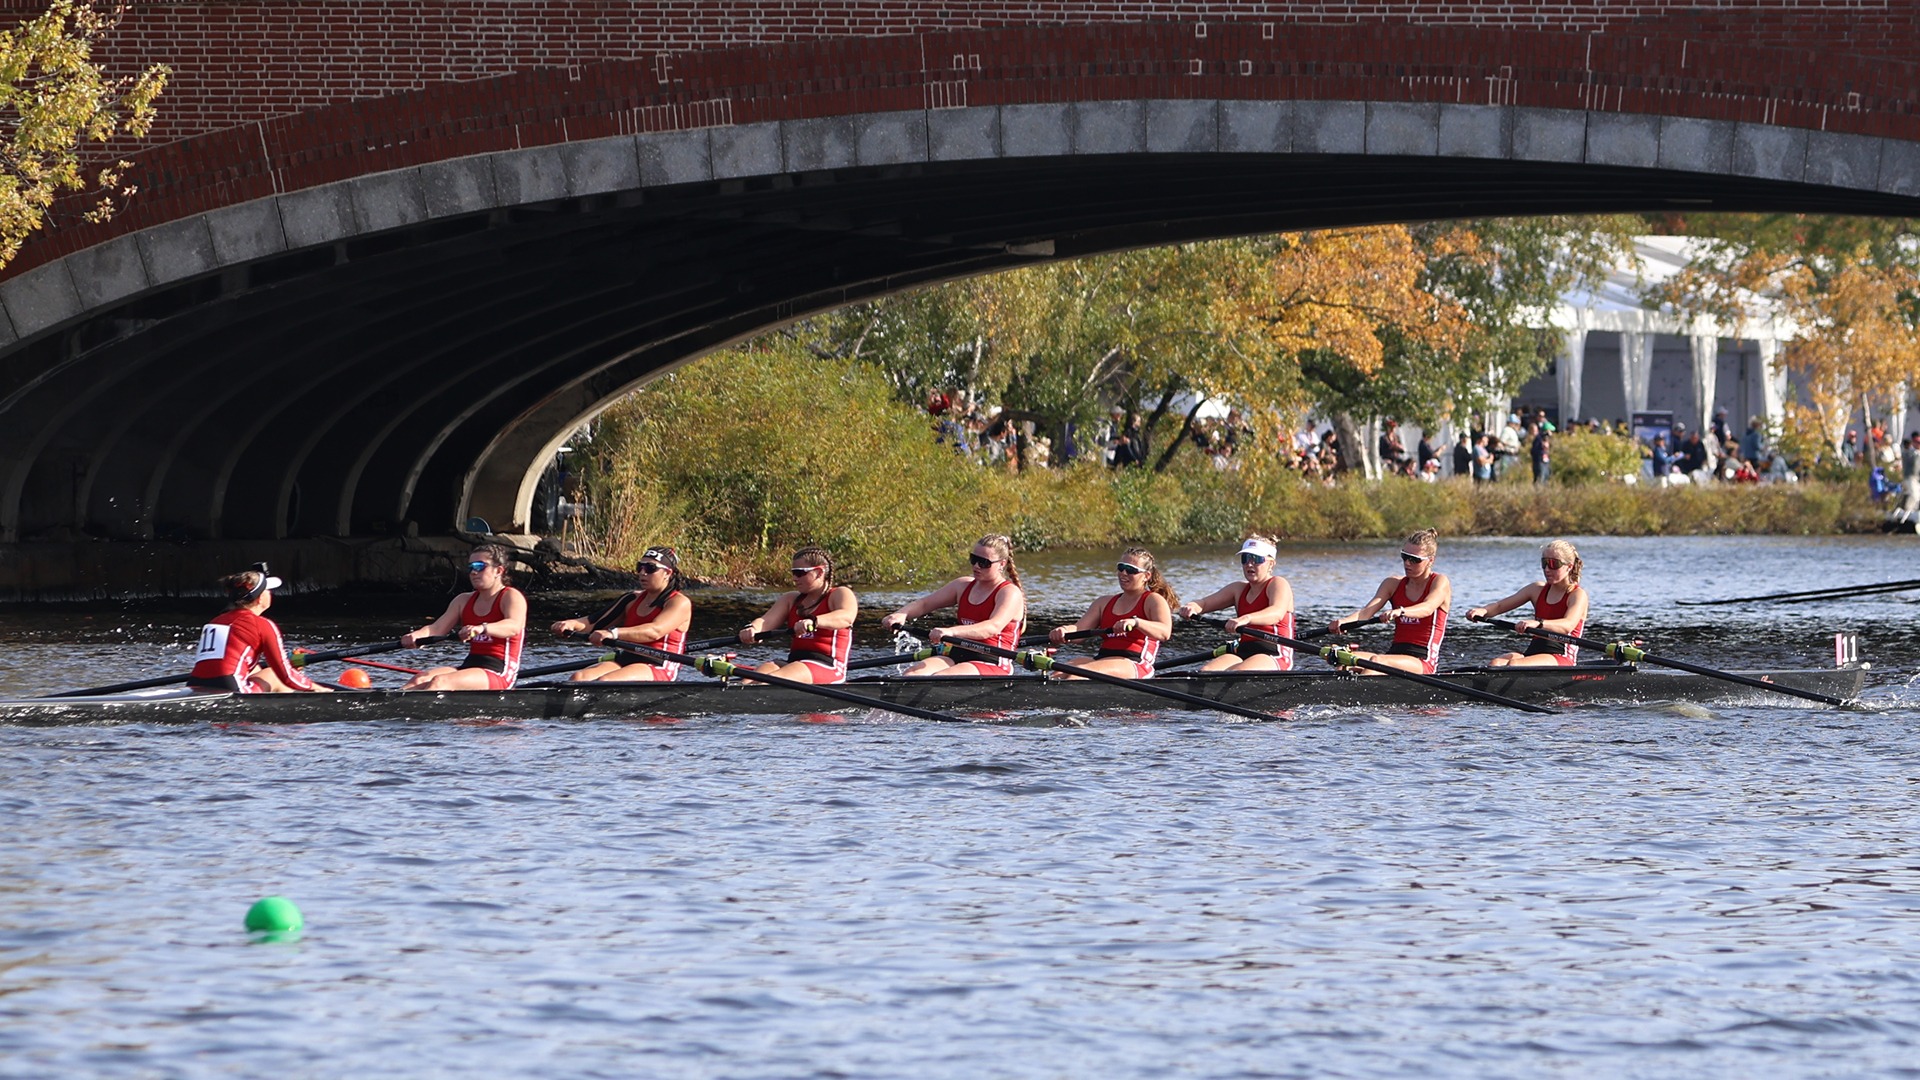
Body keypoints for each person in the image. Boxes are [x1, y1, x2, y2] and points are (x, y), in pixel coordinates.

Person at [880, 535, 1026, 677]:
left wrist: (951, 632)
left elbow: (992, 627)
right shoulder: (962, 585)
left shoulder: (1009, 592)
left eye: (984, 562)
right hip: (957, 653)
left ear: (1002, 564)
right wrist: (902, 614)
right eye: (973, 559)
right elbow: (924, 604)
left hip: (992, 660)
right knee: (912, 674)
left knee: (940, 677)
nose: (976, 566)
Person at [549, 546, 692, 682]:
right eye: (640, 567)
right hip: (627, 657)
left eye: (650, 568)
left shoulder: (679, 603)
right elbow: (595, 623)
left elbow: (654, 631)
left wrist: (614, 633)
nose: (642, 572)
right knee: (579, 677)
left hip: (660, 662)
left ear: (667, 573)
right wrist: (571, 624)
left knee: (606, 681)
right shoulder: (631, 599)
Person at [186, 563, 329, 694]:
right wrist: (316, 688)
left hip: (195, 685)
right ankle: (293, 716)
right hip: (232, 687)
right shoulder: (262, 624)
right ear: (260, 598)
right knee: (273, 675)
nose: (271, 593)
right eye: (268, 590)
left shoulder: (216, 621)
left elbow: (227, 663)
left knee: (260, 670)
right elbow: (285, 675)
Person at [401, 544, 528, 690]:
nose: (474, 572)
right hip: (471, 665)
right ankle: (388, 707)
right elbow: (437, 628)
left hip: (500, 671)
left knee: (440, 682)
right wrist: (416, 635)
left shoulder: (511, 596)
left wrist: (482, 628)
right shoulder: (463, 600)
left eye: (480, 566)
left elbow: (513, 627)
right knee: (419, 679)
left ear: (498, 570)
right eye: (471, 567)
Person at [1329, 528, 1451, 675]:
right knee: (1346, 660)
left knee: (1377, 662)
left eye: (1414, 559)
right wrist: (1344, 621)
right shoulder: (1392, 584)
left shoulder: (1439, 582)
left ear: (1431, 560)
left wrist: (1402, 611)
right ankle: (1337, 696)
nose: (1407, 563)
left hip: (1422, 661)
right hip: (1394, 654)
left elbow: (1428, 607)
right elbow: (1366, 612)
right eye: (1404, 556)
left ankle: (1355, 696)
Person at [1048, 547, 1177, 679]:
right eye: (1121, 567)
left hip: (1134, 663)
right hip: (1103, 659)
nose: (1124, 573)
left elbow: (1165, 632)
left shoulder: (1153, 600)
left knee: (1078, 674)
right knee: (1057, 674)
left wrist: (1136, 622)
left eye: (1131, 570)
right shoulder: (1103, 602)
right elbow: (1078, 631)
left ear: (1146, 576)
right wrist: (1063, 630)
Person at [1175, 536, 1295, 672]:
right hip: (1244, 650)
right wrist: (1192, 606)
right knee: (1207, 672)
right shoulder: (1238, 589)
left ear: (1271, 564)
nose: (1249, 564)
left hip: (1275, 652)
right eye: (1245, 559)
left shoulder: (1278, 583)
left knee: (1237, 673)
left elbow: (1276, 613)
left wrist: (1245, 618)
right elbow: (1204, 603)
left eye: (1256, 559)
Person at [740, 546, 858, 684]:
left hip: (828, 666)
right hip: (795, 664)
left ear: (819, 572)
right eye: (793, 573)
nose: (794, 578)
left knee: (769, 681)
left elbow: (846, 617)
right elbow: (766, 621)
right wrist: (752, 628)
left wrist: (813, 621)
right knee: (753, 678)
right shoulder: (791, 599)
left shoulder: (839, 594)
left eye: (800, 573)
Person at [1466, 540, 1591, 667]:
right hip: (1534, 652)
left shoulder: (1577, 595)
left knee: (1514, 665)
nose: (1547, 569)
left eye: (1554, 564)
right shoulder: (1536, 590)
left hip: (1561, 656)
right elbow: (1499, 606)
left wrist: (1538, 623)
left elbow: (1567, 625)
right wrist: (1483, 611)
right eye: (1544, 563)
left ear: (1569, 566)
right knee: (1496, 664)